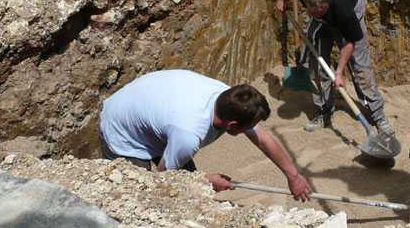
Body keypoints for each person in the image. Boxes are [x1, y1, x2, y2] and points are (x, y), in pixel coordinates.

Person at [99, 69, 312, 199]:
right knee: (146, 195)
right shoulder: (188, 134)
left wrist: (293, 176)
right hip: (123, 132)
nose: (252, 131)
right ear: (232, 125)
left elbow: (263, 140)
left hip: (150, 112)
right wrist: (206, 182)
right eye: (247, 128)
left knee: (188, 184)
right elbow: (164, 178)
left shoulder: (229, 97)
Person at [276, 0, 395, 138]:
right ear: (306, 2)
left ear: (326, 6)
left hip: (352, 8)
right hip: (323, 19)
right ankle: (324, 111)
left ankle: (378, 116)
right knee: (317, 61)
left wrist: (339, 73)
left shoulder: (343, 10)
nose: (317, 14)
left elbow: (350, 43)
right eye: (313, 12)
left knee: (360, 66)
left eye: (321, 12)